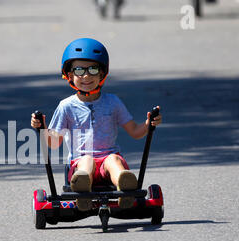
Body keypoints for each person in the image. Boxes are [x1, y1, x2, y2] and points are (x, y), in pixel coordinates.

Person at [30, 38, 162, 211]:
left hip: (108, 164)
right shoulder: (66, 106)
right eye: (79, 70)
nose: (86, 75)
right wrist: (42, 128)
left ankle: (125, 186)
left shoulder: (113, 102)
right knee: (87, 160)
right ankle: (83, 189)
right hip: (80, 164)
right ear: (69, 75)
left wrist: (148, 123)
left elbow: (135, 132)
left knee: (113, 159)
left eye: (93, 69)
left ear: (102, 74)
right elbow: (55, 142)